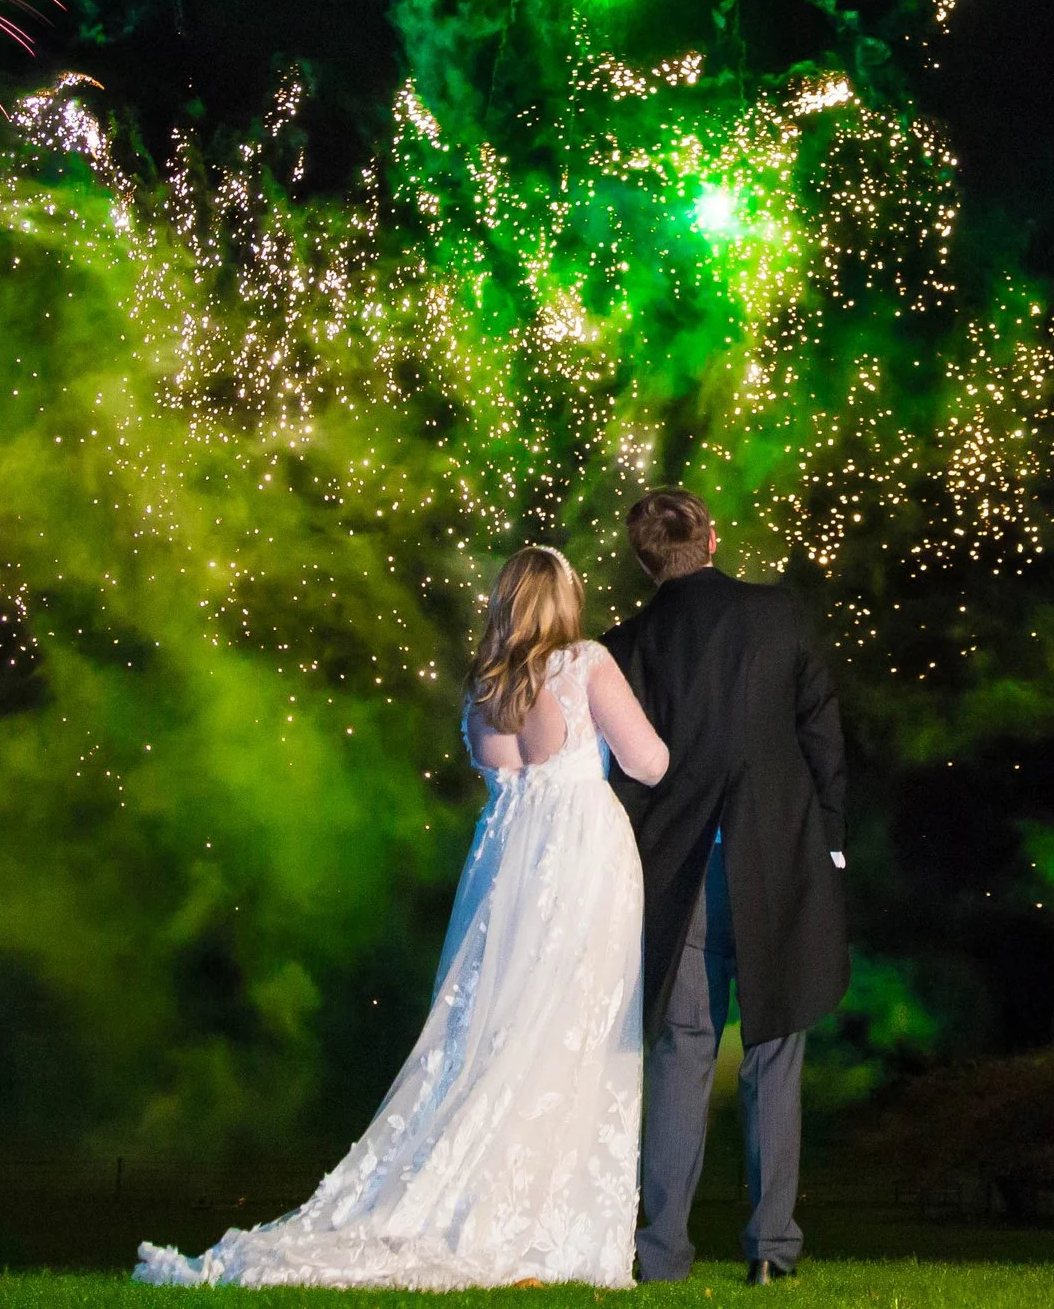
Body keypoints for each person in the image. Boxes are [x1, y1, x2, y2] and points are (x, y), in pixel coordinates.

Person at [135, 545, 668, 1289]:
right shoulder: (582, 663)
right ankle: (534, 1220)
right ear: (562, 600)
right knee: (567, 1031)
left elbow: (506, 785)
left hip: (506, 871)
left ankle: (472, 1197)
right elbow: (649, 762)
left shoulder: (482, 689)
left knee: (490, 1031)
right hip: (580, 863)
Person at [604, 489, 847, 1287]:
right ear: (711, 537)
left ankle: (663, 1253)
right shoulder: (781, 615)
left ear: (647, 559)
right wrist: (832, 843)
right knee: (776, 1050)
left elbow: (628, 777)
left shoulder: (627, 642)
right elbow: (821, 732)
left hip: (681, 870)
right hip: (779, 857)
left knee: (681, 1055)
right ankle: (771, 1248)